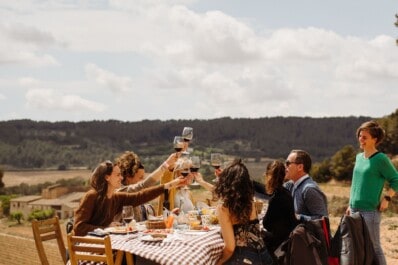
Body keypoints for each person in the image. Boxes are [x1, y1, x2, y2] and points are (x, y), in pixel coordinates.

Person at [73, 160, 186, 236]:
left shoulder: (115, 197)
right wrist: (105, 228)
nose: (121, 178)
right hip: (87, 250)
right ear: (107, 177)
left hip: (104, 245)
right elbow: (79, 227)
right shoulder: (91, 196)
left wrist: (169, 185)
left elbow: (140, 196)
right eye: (117, 175)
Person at [346, 120, 398, 265]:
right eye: (360, 136)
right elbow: (355, 183)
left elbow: (396, 179)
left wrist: (387, 198)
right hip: (354, 210)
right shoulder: (358, 157)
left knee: (374, 247)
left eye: (364, 137)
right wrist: (350, 204)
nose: (360, 140)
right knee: (357, 248)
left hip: (370, 212)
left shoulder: (380, 159)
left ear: (374, 140)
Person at [214, 158, 274, 265]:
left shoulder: (224, 207)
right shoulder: (250, 202)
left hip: (243, 258)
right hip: (264, 255)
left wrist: (219, 262)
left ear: (225, 181)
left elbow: (230, 248)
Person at [115, 151, 177, 221]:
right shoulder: (121, 192)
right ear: (128, 176)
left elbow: (143, 222)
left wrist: (168, 216)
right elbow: (144, 185)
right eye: (140, 177)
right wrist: (166, 164)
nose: (143, 180)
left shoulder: (139, 196)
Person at [262, 160, 298, 256]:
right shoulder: (286, 192)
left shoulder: (276, 197)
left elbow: (266, 224)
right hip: (287, 238)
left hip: (278, 243)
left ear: (268, 176)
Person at [283, 149, 328, 221]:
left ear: (300, 167)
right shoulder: (289, 185)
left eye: (288, 163)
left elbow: (322, 220)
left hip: (308, 232)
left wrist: (298, 217)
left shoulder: (310, 190)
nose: (285, 167)